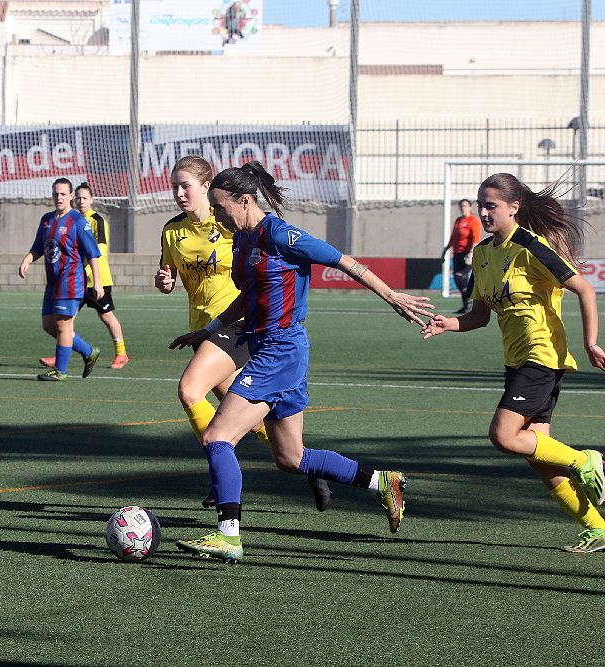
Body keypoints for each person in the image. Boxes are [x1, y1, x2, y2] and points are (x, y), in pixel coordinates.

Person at [171, 161, 433, 563]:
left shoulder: (279, 234)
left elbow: (345, 261)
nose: (218, 216)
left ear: (244, 201)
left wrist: (393, 296)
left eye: (221, 208)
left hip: (281, 350)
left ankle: (228, 534)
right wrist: (207, 332)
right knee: (291, 459)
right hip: (267, 348)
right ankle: (383, 482)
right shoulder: (241, 239)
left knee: (216, 437)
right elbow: (246, 299)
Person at [422, 173, 605, 553]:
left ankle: (589, 459)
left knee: (503, 436)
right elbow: (479, 316)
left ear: (513, 207)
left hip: (543, 356)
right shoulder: (484, 253)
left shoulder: (531, 247)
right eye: (481, 204)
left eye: (491, 205)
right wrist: (448, 324)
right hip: (517, 361)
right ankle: (597, 527)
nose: (484, 212)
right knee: (537, 454)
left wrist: (591, 342)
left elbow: (585, 289)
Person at [155, 155, 332, 512]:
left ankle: (220, 487)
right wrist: (165, 281)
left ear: (207, 187)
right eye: (174, 185)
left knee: (190, 392)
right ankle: (306, 463)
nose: (178, 193)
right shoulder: (172, 230)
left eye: (185, 185)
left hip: (236, 327)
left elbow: (262, 265)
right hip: (204, 329)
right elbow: (168, 273)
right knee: (246, 419)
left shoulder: (231, 226)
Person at [19, 177, 104, 381]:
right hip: (53, 282)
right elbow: (39, 247)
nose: (59, 197)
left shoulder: (77, 220)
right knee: (49, 325)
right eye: (56, 193)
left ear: (71, 196)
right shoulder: (47, 219)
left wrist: (97, 281)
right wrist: (27, 260)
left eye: (63, 194)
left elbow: (92, 252)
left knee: (64, 326)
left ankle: (60, 371)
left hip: (71, 279)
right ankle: (88, 352)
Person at [40, 182, 128, 370]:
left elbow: (99, 252)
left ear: (92, 200)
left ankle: (121, 353)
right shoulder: (68, 219)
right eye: (79, 198)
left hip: (97, 279)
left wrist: (90, 275)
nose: (81, 201)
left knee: (106, 316)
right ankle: (62, 354)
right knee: (62, 322)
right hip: (75, 281)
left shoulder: (96, 220)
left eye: (84, 198)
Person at [443, 198, 482, 314]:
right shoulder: (458, 220)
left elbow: (476, 239)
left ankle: (470, 303)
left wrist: (471, 253)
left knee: (460, 276)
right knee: (458, 278)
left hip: (467, 254)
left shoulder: (473, 221)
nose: (463, 208)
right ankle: (466, 305)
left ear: (470, 207)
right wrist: (445, 250)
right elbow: (453, 237)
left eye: (465, 206)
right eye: (461, 206)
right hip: (457, 254)